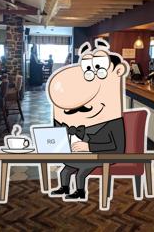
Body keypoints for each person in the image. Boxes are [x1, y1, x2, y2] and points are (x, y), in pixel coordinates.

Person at [48, 39, 128, 200]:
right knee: (66, 169)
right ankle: (64, 188)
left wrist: (88, 145)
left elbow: (116, 146)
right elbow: (83, 133)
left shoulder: (114, 121)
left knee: (81, 168)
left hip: (109, 154)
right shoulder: (94, 120)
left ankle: (80, 191)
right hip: (92, 151)